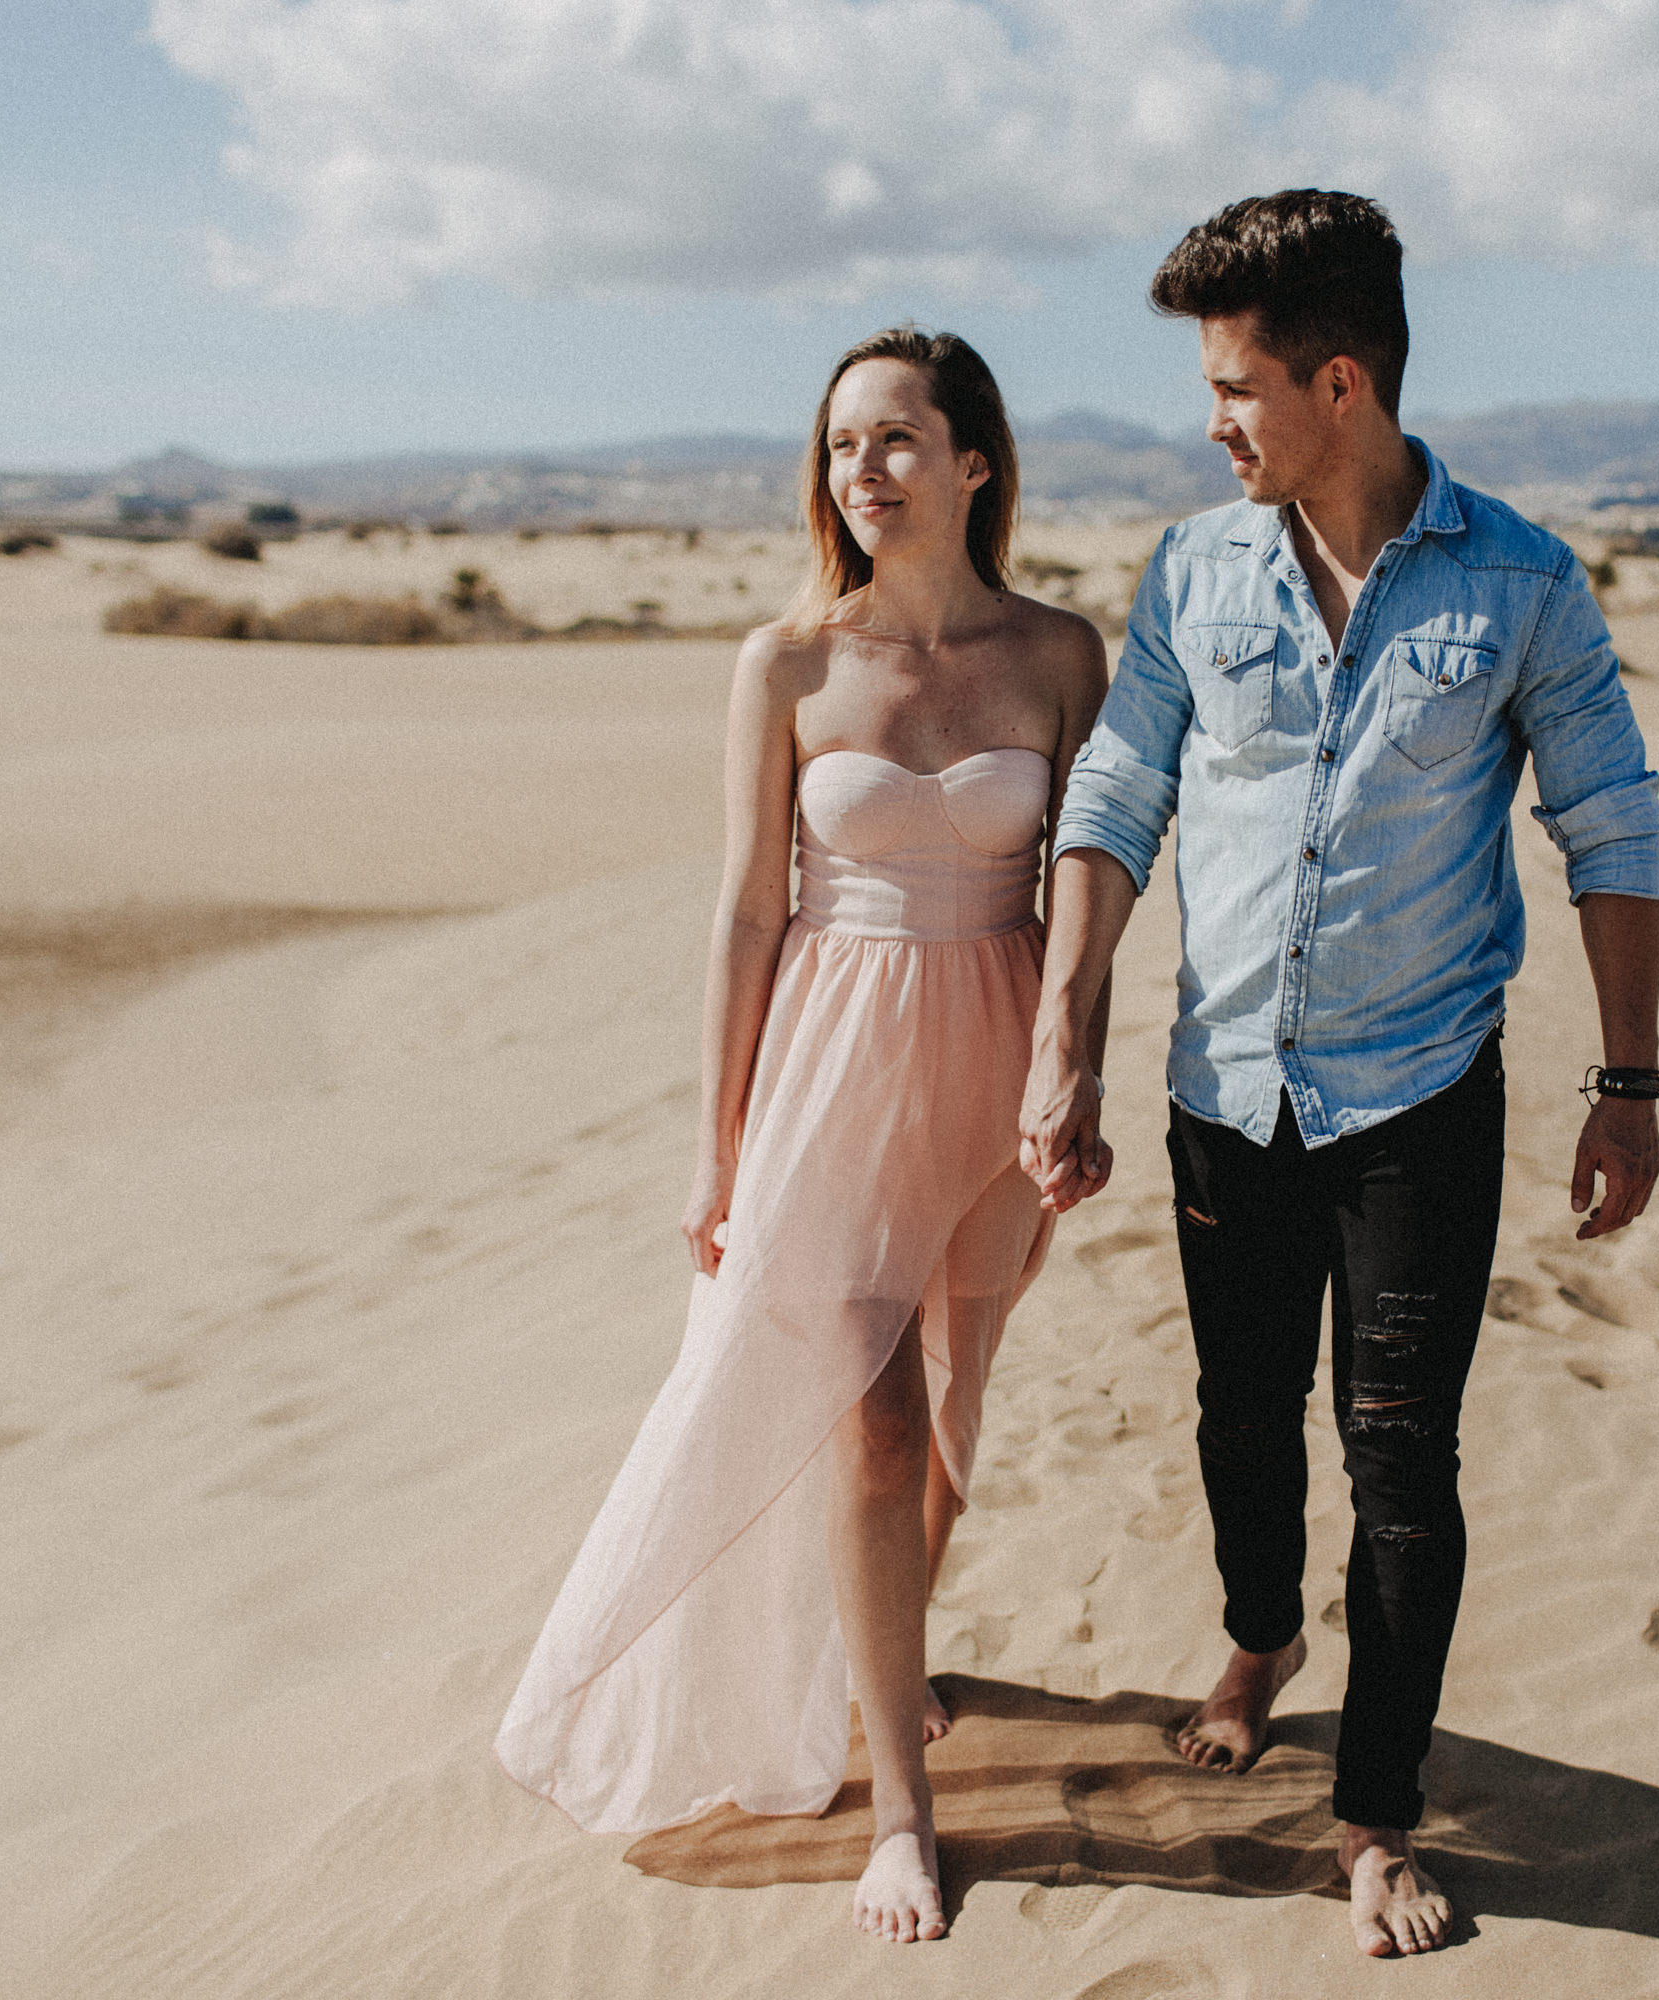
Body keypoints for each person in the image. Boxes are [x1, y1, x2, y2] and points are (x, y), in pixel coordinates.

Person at [1018, 191, 1659, 1959]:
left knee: (1404, 1464)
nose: (1211, 420)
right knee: (1242, 1416)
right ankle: (1260, 1629)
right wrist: (1067, 1023)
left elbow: (1608, 824)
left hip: (1420, 1098)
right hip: (1225, 1086)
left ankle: (1375, 1815)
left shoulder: (1519, 581)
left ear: (1345, 381)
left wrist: (1632, 1080)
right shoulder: (1192, 569)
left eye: (1236, 387)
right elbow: (1117, 797)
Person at [498, 326, 1112, 1946]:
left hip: (991, 1076)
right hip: (828, 1077)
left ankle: (874, 1670)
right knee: (874, 1428)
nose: (864, 470)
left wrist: (1076, 1074)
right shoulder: (784, 665)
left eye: (899, 439)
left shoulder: (1060, 654)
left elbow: (1082, 903)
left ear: (975, 461)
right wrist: (716, 1146)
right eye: (844, 445)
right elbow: (746, 917)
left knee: (956, 1428)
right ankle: (900, 1819)